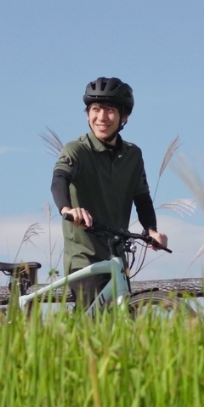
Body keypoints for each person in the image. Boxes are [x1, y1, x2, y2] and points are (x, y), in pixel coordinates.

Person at [51, 77, 168, 307]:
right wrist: (68, 209)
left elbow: (142, 198)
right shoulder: (77, 150)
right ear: (87, 114)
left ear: (124, 117)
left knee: (123, 326)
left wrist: (151, 230)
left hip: (116, 258)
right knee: (98, 330)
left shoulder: (133, 155)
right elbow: (59, 178)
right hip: (85, 259)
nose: (101, 117)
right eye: (95, 109)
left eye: (110, 110)